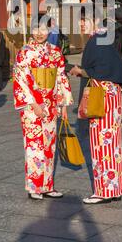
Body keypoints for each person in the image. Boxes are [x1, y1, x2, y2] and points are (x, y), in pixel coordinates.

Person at [13, 15, 73, 200]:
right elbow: (20, 80)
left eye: (43, 29)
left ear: (50, 30)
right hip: (32, 105)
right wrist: (32, 103)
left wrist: (63, 103)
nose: (40, 34)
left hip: (51, 103)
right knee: (34, 146)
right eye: (36, 29)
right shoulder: (24, 52)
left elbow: (61, 77)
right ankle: (34, 187)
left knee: (49, 145)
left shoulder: (55, 52)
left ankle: (47, 185)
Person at [70, 10, 122, 204]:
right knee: (113, 144)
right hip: (112, 93)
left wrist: (81, 71)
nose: (82, 25)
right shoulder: (105, 37)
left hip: (101, 93)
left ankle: (103, 190)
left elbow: (101, 69)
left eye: (85, 21)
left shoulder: (98, 40)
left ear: (95, 20)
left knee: (101, 143)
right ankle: (115, 188)